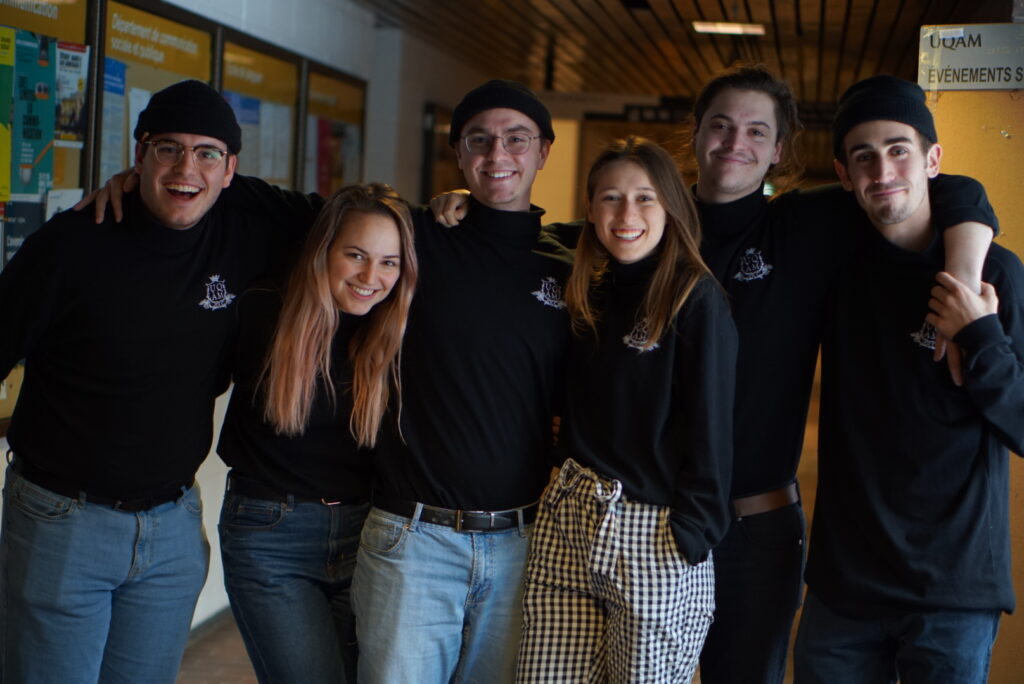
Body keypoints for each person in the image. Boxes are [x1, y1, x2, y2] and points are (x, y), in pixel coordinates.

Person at [431, 65, 997, 684]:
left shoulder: (808, 225)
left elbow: (946, 187)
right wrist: (468, 205)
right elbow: (531, 236)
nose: (735, 143)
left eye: (757, 131)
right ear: (695, 133)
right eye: (721, 125)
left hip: (756, 527)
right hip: (640, 524)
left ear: (779, 150)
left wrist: (966, 279)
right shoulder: (643, 224)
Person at [0, 80, 309, 683]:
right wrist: (183, 171)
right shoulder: (72, 243)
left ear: (232, 169)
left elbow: (343, 221)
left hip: (172, 529)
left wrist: (452, 209)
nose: (185, 169)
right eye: (168, 148)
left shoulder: (245, 232)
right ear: (138, 154)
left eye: (207, 153)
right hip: (63, 522)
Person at [793, 75, 1024, 684]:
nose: (883, 170)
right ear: (844, 174)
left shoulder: (995, 274)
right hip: (844, 590)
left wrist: (981, 335)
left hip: (953, 591)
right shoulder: (837, 265)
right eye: (863, 156)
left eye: (899, 150)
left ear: (933, 160)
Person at [350, 80, 573, 684]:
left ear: (544, 151)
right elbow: (319, 222)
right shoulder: (416, 239)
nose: (497, 154)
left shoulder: (569, 266)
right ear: (458, 152)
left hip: (522, 542)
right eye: (479, 140)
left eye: (516, 139)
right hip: (414, 539)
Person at [516, 137, 736, 682]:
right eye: (610, 198)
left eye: (644, 198)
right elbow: (522, 235)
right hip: (569, 519)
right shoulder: (588, 289)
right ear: (590, 210)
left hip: (651, 530)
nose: (626, 214)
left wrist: (690, 534)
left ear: (671, 208)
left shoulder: (694, 298)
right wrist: (458, 204)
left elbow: (711, 427)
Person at [216, 184, 417, 683]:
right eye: (356, 255)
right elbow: (230, 193)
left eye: (389, 262)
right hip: (270, 534)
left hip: (368, 534)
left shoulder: (398, 329)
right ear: (323, 248)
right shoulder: (264, 309)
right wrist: (135, 180)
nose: (371, 277)